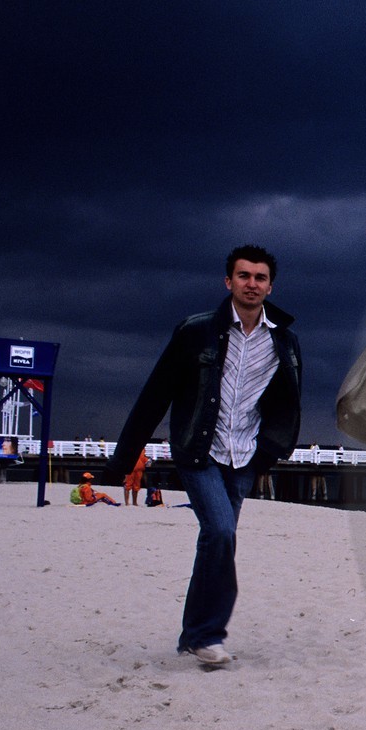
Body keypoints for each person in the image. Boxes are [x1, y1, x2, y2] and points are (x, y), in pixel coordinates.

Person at [107, 245, 303, 668]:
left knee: (216, 541)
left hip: (245, 456)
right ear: (228, 281)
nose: (252, 284)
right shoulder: (195, 331)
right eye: (244, 275)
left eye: (260, 277)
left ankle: (195, 636)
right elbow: (155, 396)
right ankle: (207, 635)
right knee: (221, 532)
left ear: (271, 285)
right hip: (200, 451)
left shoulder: (283, 341)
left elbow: (289, 403)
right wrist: (123, 459)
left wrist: (270, 450)